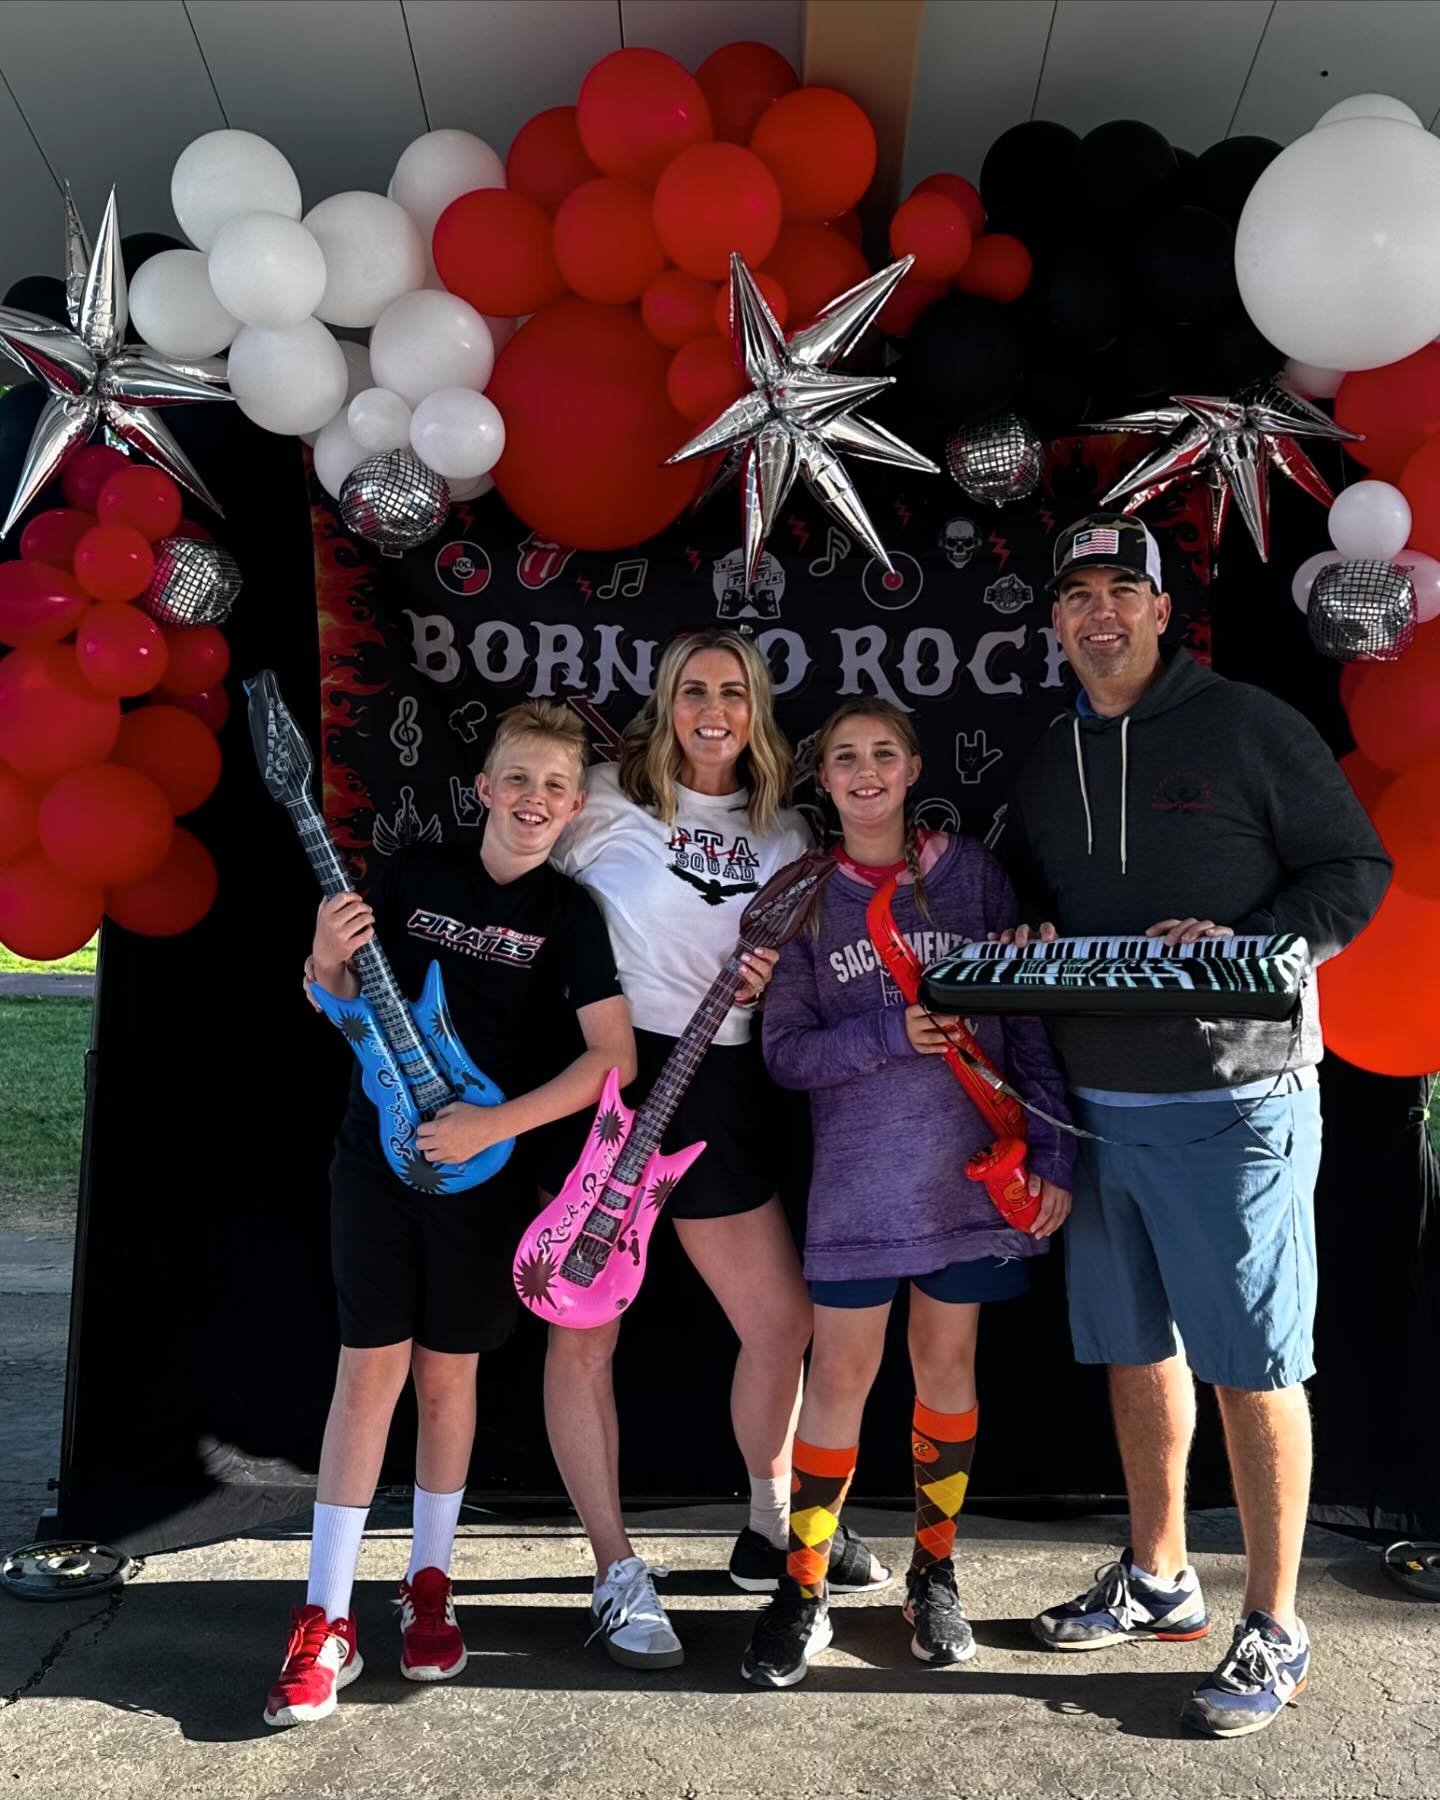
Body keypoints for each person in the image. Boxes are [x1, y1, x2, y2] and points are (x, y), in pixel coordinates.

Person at [1008, 512, 1391, 1738]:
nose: (1100, 612)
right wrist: (1025, 942)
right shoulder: (1043, 760)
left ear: (1164, 610)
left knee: (1253, 1366)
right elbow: (1037, 905)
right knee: (1137, 1351)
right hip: (1097, 1113)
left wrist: (1258, 943)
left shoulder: (1248, 725)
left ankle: (1274, 1627)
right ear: (1056, 620)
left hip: (1238, 1100)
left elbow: (1354, 871)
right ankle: (1161, 1574)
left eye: (1126, 588)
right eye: (1078, 595)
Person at [264, 701, 635, 1728]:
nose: (536, 801)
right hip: (373, 1163)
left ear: (574, 806)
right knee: (368, 1375)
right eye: (519, 780)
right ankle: (323, 1616)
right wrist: (323, 957)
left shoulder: (571, 915)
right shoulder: (414, 874)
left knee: (448, 1381)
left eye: (557, 788)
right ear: (483, 786)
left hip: (485, 1176)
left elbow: (613, 1060)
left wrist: (492, 1125)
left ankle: (430, 1585)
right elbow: (340, 1005)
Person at [546, 628, 889, 1670]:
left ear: (756, 709)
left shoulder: (786, 830)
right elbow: (511, 890)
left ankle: (770, 1524)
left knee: (782, 1324)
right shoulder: (602, 798)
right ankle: (614, 1567)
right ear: (665, 698)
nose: (712, 708)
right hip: (612, 1076)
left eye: (733, 692)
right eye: (692, 688)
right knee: (584, 1329)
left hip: (725, 1080)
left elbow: (822, 963)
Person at [737, 699, 1073, 1687]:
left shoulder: (969, 874)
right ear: (824, 781)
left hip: (969, 1174)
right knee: (838, 1377)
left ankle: (934, 1574)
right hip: (857, 1188)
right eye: (846, 757)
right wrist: (894, 1033)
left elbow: (1027, 1016)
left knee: (947, 1365)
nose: (866, 770)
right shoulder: (803, 896)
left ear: (914, 765)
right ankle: (803, 1588)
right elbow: (786, 1053)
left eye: (883, 753)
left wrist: (1052, 1147)